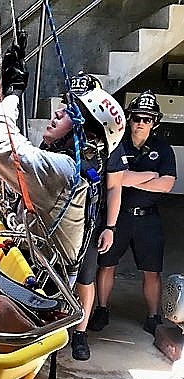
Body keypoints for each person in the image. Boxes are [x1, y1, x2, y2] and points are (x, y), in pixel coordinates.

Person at [0, 36, 126, 304]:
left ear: (87, 134)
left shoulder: (66, 172)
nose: (57, 113)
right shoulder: (70, 166)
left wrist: (12, 96)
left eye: (70, 111)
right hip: (38, 276)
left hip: (39, 288)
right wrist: (1, 90)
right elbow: (3, 135)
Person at [88, 90, 177, 336]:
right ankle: (102, 309)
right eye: (136, 117)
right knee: (106, 265)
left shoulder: (163, 149)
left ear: (154, 122)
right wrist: (148, 176)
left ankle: (153, 316)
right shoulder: (117, 143)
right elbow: (114, 179)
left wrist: (128, 180)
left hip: (148, 217)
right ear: (129, 118)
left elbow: (168, 184)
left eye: (146, 119)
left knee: (152, 271)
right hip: (117, 216)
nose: (140, 123)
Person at [68, 72, 128, 361]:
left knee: (86, 278)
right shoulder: (62, 132)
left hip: (91, 222)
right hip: (58, 221)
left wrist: (110, 227)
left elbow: (115, 187)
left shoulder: (109, 142)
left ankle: (80, 334)